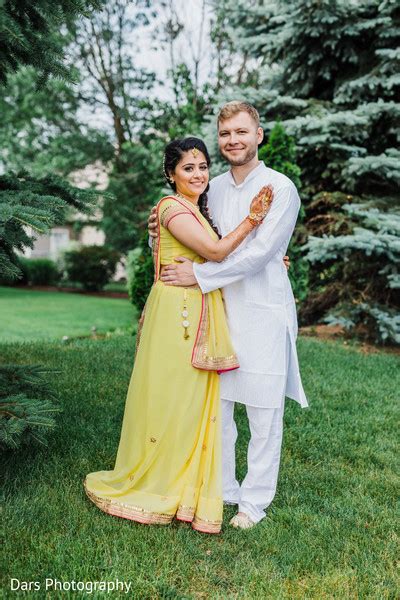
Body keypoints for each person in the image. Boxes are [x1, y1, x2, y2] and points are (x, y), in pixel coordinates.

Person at [84, 136, 273, 534]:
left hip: (191, 310)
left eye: (203, 166)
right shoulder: (171, 207)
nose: (199, 174)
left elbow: (214, 252)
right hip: (178, 315)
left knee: (190, 403)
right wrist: (253, 219)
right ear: (171, 174)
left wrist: (272, 255)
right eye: (188, 168)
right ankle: (161, 482)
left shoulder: (193, 208)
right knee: (174, 400)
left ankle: (187, 483)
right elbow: (217, 252)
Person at [148, 101, 308, 530]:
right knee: (216, 412)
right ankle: (224, 489)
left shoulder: (280, 187)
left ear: (258, 134)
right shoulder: (211, 187)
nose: (233, 141)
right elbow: (194, 234)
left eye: (241, 132)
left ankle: (253, 504)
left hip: (263, 312)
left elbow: (259, 254)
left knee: (262, 411)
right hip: (216, 315)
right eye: (225, 134)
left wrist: (199, 275)